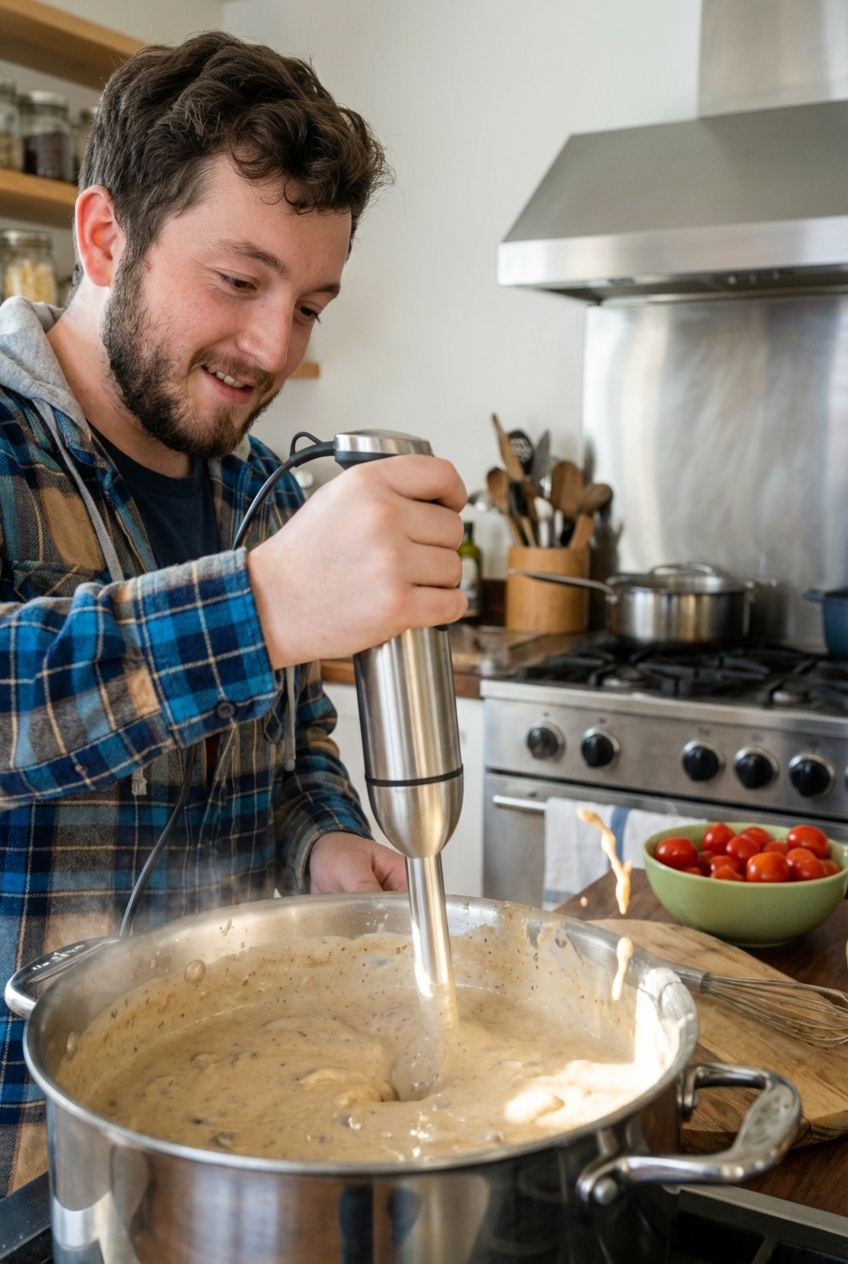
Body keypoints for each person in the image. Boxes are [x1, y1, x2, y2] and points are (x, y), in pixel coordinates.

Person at [0, 32, 466, 1193]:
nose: (273, 348)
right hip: (24, 1156)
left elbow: (288, 737)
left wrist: (321, 840)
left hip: (225, 1135)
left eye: (309, 302)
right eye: (239, 280)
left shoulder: (256, 490)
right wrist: (261, 605)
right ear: (105, 237)